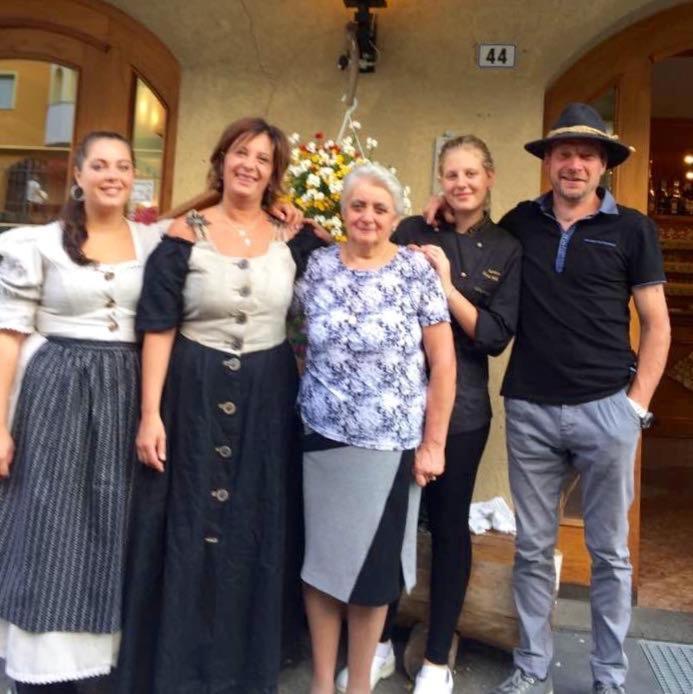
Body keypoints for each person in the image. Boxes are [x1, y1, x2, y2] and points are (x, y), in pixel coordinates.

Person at [115, 116, 325, 694]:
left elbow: (357, 260)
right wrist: (151, 413)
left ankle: (239, 670)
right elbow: (157, 325)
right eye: (240, 152)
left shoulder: (295, 238)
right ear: (222, 159)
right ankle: (175, 666)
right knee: (182, 521)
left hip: (267, 395)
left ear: (274, 174)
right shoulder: (183, 234)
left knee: (252, 524)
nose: (249, 164)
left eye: (262, 158)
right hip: (192, 391)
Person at [481, 103, 670, 694]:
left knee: (609, 554)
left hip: (605, 409)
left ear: (604, 166)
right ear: (549, 162)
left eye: (587, 155)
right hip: (531, 409)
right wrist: (436, 212)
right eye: (564, 153)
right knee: (534, 548)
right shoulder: (519, 223)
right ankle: (532, 667)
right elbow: (469, 240)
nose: (574, 165)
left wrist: (634, 407)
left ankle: (609, 676)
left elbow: (656, 324)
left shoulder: (632, 229)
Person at [334, 135, 521, 694]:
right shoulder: (413, 229)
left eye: (470, 174)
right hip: (389, 405)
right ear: (440, 180)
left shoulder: (507, 248)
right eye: (451, 174)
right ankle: (381, 643)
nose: (460, 184)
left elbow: (492, 336)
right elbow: (361, 256)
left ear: (489, 177)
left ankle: (438, 656)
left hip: (460, 413)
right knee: (387, 526)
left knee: (447, 529)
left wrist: (442, 283)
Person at [0, 131, 164, 692]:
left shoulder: (152, 240)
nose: (112, 175)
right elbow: (9, 335)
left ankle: (101, 662)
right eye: (100, 165)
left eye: (122, 165)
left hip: (126, 392)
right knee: (49, 523)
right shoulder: (38, 242)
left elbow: (213, 221)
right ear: (79, 174)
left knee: (114, 521)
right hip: (56, 395)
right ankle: (41, 667)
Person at [295, 162, 457, 694]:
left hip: (388, 445)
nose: (367, 216)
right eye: (358, 205)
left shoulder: (415, 272)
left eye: (379, 207)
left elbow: (444, 363)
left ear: (396, 217)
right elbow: (293, 336)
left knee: (371, 577)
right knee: (320, 569)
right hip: (320, 435)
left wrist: (433, 443)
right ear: (342, 211)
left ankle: (359, 683)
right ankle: (323, 682)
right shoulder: (317, 266)